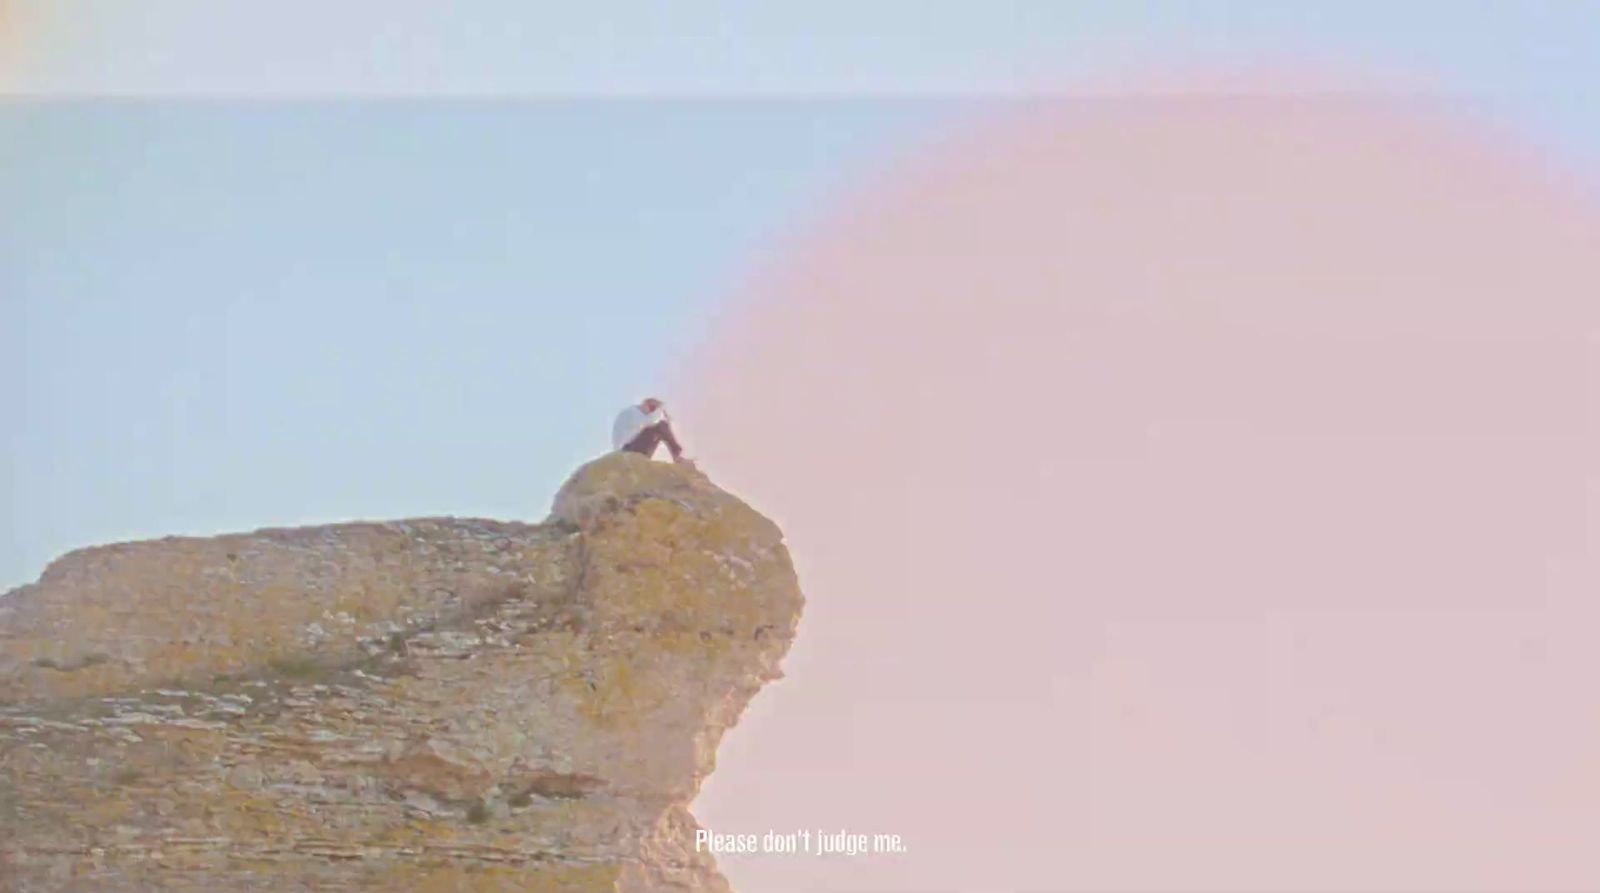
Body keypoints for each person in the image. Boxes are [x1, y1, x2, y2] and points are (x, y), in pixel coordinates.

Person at [612, 397, 695, 467]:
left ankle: (677, 457)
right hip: (626, 449)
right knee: (661, 426)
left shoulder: (639, 417)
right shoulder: (632, 411)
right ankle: (677, 457)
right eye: (651, 408)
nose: (652, 412)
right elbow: (651, 422)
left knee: (660, 429)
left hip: (633, 447)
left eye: (653, 409)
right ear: (645, 404)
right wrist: (660, 409)